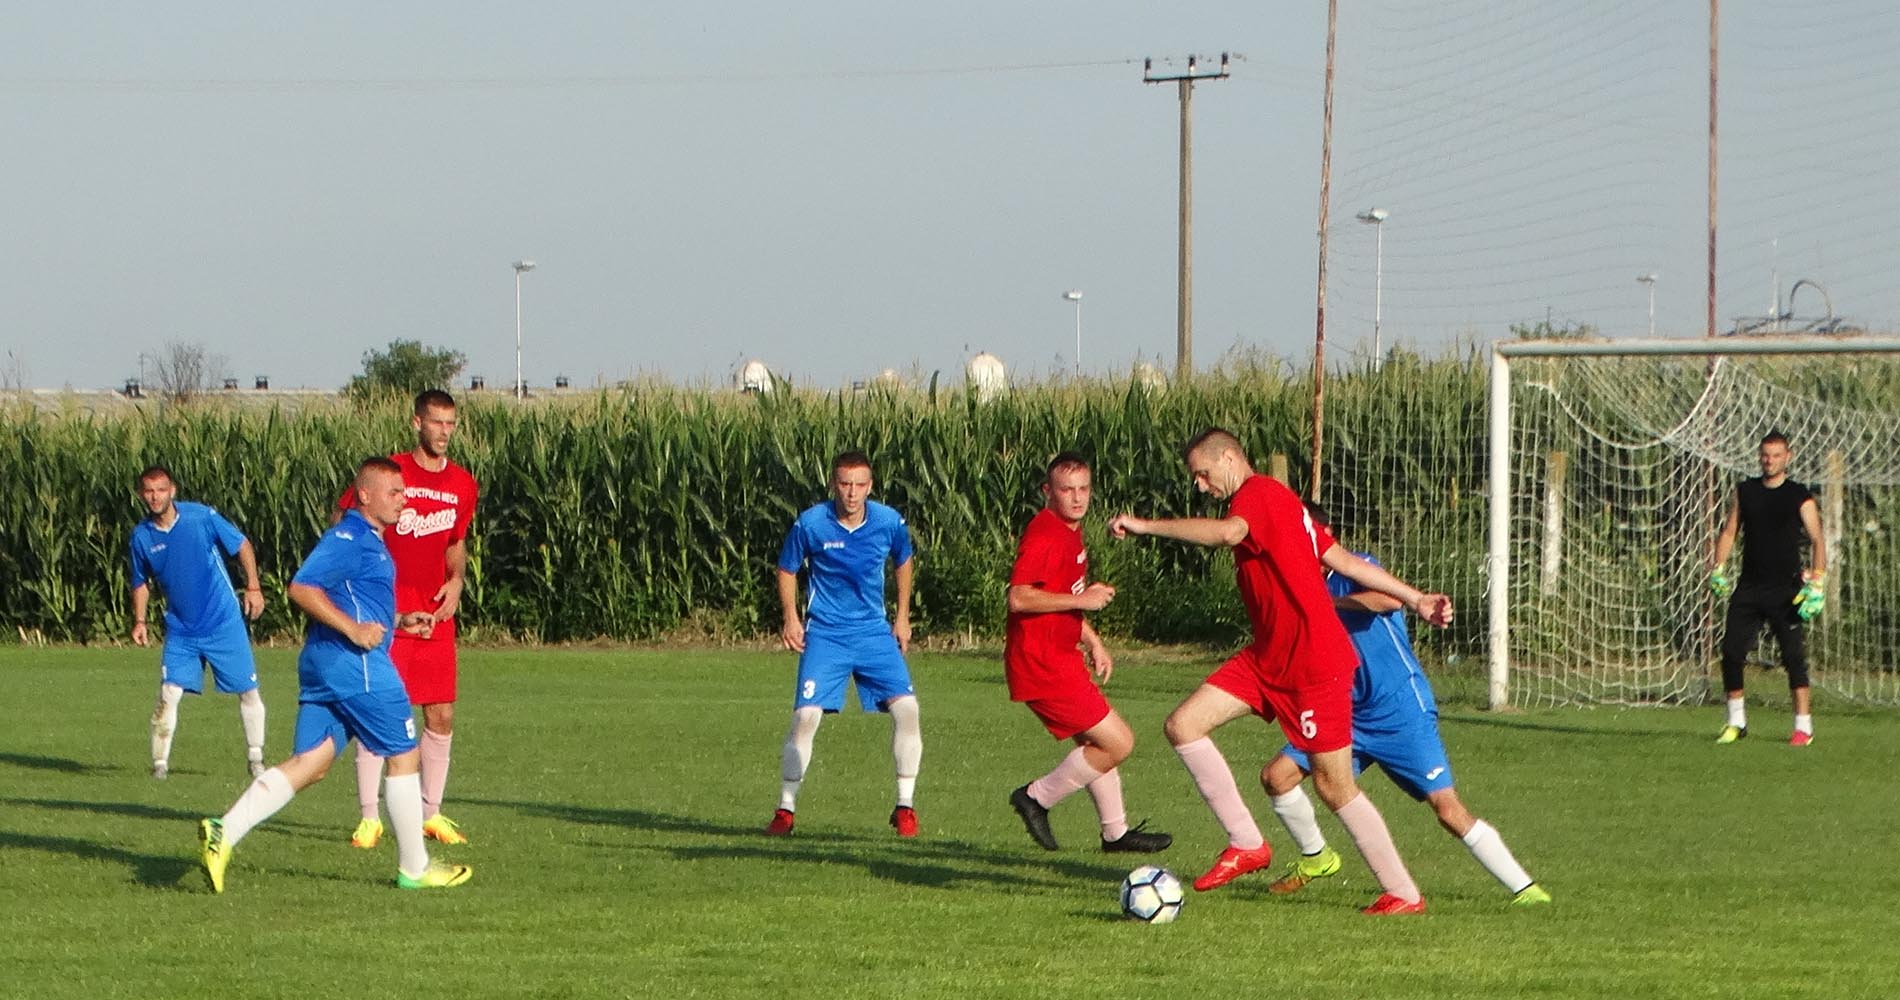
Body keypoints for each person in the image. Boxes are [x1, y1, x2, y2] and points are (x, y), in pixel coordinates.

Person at [1108, 428, 1452, 915]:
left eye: (1203, 474)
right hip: (1268, 657)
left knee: (1333, 785)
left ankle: (1404, 893)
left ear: (1229, 458)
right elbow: (1343, 560)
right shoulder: (1281, 503)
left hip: (1314, 662)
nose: (1201, 485)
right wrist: (1415, 598)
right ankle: (1247, 843)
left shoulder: (1259, 494)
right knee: (1183, 725)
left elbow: (1228, 534)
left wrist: (1145, 525)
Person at [198, 457, 472, 893]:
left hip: (328, 664)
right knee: (404, 752)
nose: (403, 500)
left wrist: (399, 620)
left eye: (403, 492)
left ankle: (223, 830)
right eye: (394, 493)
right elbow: (301, 587)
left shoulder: (369, 540)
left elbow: (353, 599)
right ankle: (415, 868)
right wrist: (355, 631)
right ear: (365, 495)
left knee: (312, 763)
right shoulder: (350, 537)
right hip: (355, 664)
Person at [1260, 501, 1550, 906]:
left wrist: (1327, 604)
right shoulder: (1296, 585)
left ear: (1323, 536)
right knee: (1277, 776)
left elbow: (1388, 600)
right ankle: (1317, 857)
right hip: (1345, 712)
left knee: (1447, 810)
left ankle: (1526, 890)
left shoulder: (1357, 566)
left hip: (1400, 711)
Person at [1004, 453, 1172, 855]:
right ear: (1048, 491)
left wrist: (1092, 640)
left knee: (1095, 745)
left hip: (1060, 657)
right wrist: (1085, 600)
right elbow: (1019, 598)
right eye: (1067, 490)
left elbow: (1058, 598)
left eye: (1084, 489)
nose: (1077, 498)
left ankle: (1115, 834)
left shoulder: (1069, 531)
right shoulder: (1045, 534)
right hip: (1042, 663)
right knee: (1118, 743)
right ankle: (1035, 798)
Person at [340, 389, 479, 849]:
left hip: (435, 613)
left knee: (441, 712)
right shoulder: (391, 474)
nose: (444, 431)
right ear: (417, 422)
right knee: (379, 709)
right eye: (436, 422)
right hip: (388, 612)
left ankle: (430, 813)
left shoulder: (462, 484)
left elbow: (455, 541)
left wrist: (456, 579)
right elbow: (346, 523)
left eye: (451, 423)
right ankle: (369, 817)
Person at [766, 451, 923, 838]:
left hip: (873, 633)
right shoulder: (811, 523)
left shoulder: (888, 521)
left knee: (908, 711)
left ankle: (905, 807)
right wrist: (791, 617)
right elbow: (787, 569)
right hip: (826, 634)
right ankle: (785, 810)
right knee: (805, 718)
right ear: (833, 484)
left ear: (870, 486)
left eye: (859, 485)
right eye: (845, 484)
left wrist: (902, 616)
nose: (852, 493)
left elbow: (903, 560)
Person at [127, 465, 268, 780]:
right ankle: (160, 767)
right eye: (149, 491)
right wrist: (140, 620)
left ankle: (256, 758)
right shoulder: (141, 537)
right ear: (141, 494)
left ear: (172, 491)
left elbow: (241, 545)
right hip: (181, 628)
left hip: (222, 621)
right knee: (169, 693)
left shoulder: (201, 517)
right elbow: (140, 582)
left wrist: (254, 587)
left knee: (248, 691)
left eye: (161, 490)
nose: (155, 496)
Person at [1710, 431, 1827, 746]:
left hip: (1786, 590)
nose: (1769, 461)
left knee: (1793, 657)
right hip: (1749, 587)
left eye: (1776, 455)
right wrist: (1717, 568)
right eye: (1765, 455)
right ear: (1759, 456)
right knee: (1731, 652)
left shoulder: (1798, 495)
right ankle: (1736, 722)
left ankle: (1803, 727)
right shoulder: (1746, 491)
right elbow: (1730, 531)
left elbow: (1817, 538)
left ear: (1787, 457)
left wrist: (1818, 581)